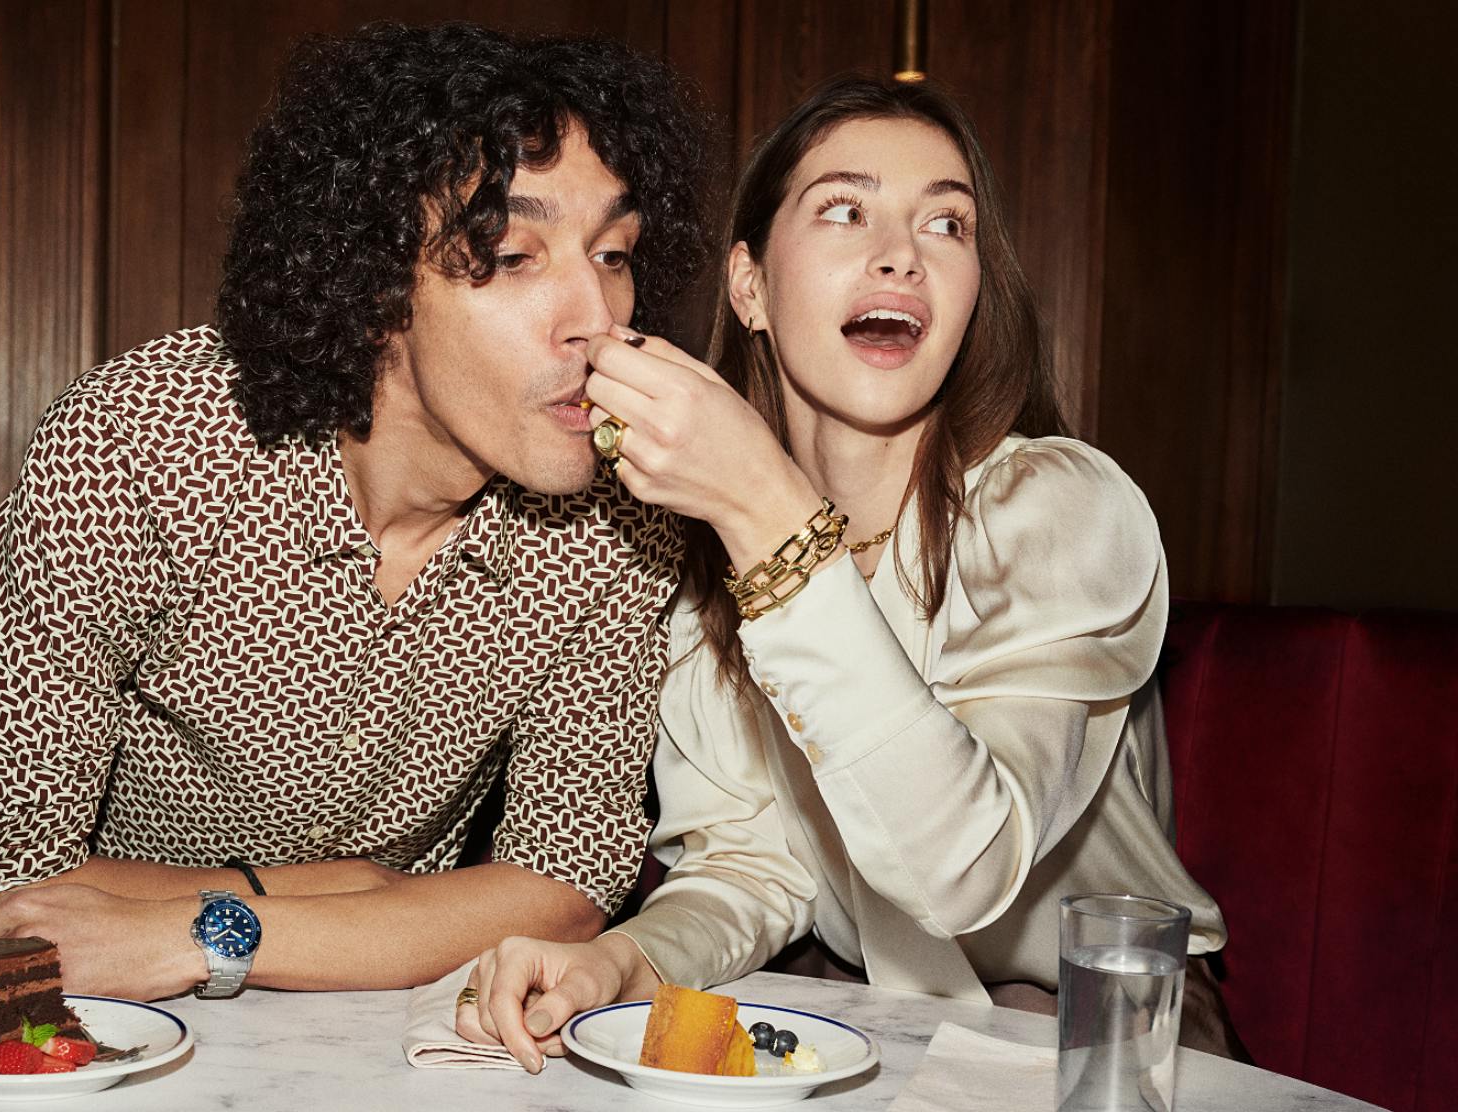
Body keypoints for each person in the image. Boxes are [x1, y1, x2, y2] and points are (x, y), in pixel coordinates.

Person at [455, 75, 1243, 1071]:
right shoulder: (707, 568)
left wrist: (763, 508)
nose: (898, 255)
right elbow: (751, 870)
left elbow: (966, 869)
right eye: (844, 209)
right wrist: (618, 959)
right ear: (749, 286)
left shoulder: (1060, 511)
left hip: (1103, 1036)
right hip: (860, 1007)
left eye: (945, 224)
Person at [0, 22, 710, 1001]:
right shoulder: (148, 438)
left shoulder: (619, 518)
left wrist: (212, 929)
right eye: (513, 253)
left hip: (404, 1038)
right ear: (375, 280)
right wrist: (357, 891)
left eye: (615, 252)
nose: (596, 314)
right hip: (110, 1033)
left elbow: (564, 889)